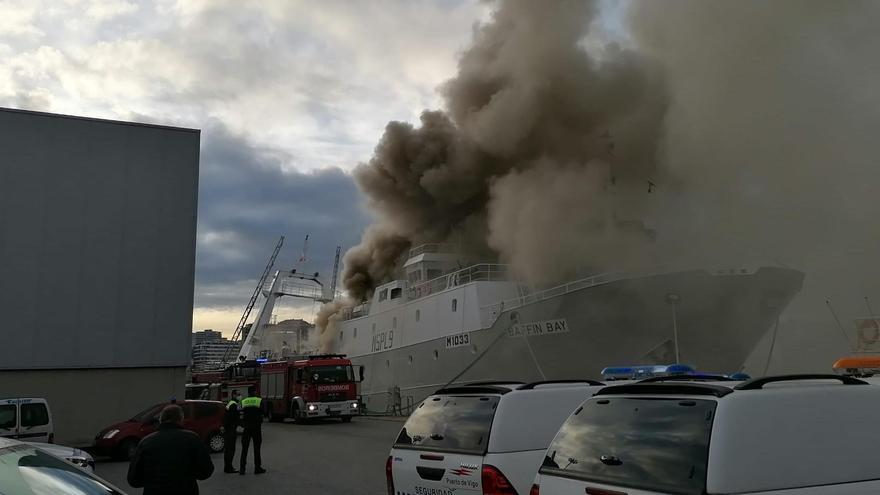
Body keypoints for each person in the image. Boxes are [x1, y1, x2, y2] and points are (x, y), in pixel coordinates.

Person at [127, 404, 214, 495]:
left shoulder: (146, 442)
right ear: (181, 419)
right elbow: (206, 470)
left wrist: (152, 481)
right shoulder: (192, 439)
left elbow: (133, 479)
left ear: (160, 420)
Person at [239, 386, 266, 475]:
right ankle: (257, 468)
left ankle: (242, 469)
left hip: (247, 428)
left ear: (248, 393)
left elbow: (240, 413)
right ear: (254, 392)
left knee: (244, 449)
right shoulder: (259, 400)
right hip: (256, 428)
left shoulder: (244, 401)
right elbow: (263, 412)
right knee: (257, 448)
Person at [223, 390, 241, 473]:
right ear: (233, 395)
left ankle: (227, 466)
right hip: (231, 430)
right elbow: (234, 418)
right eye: (238, 394)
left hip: (228, 429)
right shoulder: (233, 405)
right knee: (230, 449)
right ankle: (229, 467)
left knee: (227, 450)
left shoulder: (230, 403)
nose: (239, 396)